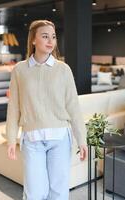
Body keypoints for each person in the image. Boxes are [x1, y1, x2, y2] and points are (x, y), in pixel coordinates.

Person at [6, 20, 88, 200]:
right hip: (32, 139)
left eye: (53, 37)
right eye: (45, 36)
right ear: (33, 40)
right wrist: (11, 139)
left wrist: (82, 139)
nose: (50, 41)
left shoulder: (63, 69)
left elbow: (73, 106)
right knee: (34, 193)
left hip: (60, 138)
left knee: (58, 191)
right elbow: (13, 108)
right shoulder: (20, 70)